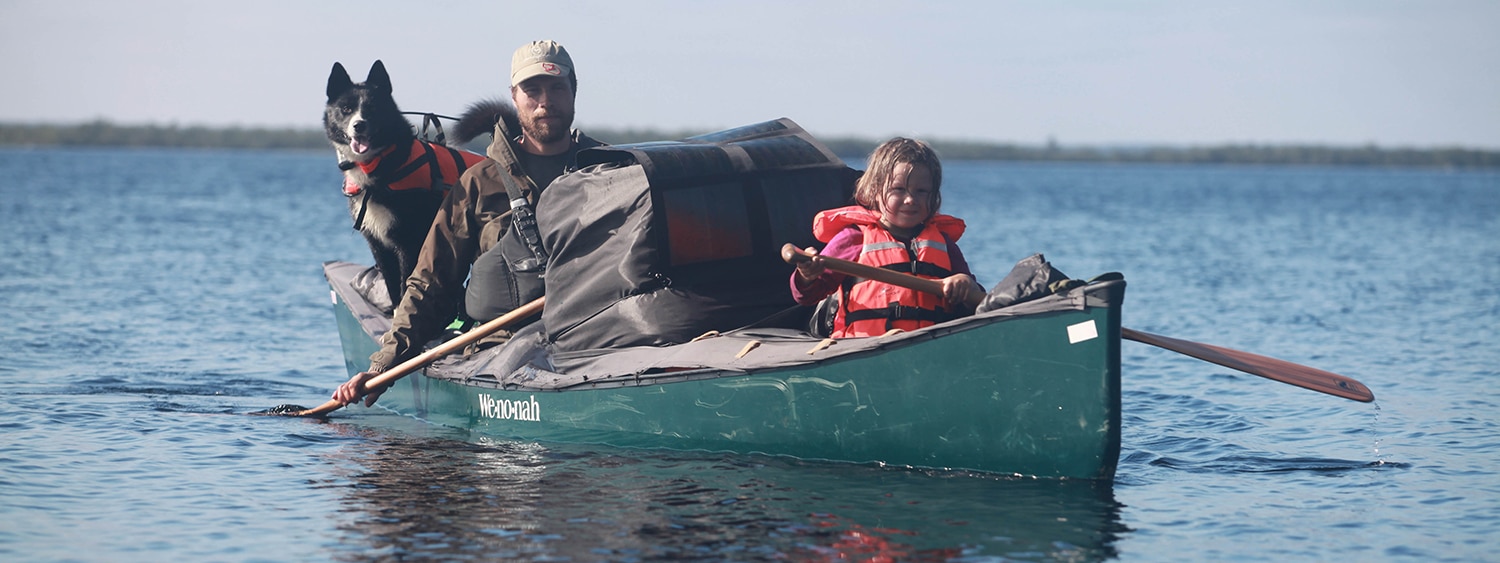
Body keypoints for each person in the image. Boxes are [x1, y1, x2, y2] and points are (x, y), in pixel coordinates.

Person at [334, 40, 605, 407]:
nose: (545, 101)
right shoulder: (478, 182)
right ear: (514, 97)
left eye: (557, 88)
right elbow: (430, 282)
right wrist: (384, 364)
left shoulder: (606, 171)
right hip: (505, 347)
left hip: (599, 338)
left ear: (574, 93)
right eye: (532, 90)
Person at [790, 137, 981, 338]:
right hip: (865, 349)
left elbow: (974, 298)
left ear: (933, 196)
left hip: (928, 347)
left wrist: (965, 282)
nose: (910, 200)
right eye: (898, 189)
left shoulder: (944, 245)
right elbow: (808, 295)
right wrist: (807, 276)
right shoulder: (853, 238)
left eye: (921, 191)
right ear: (874, 190)